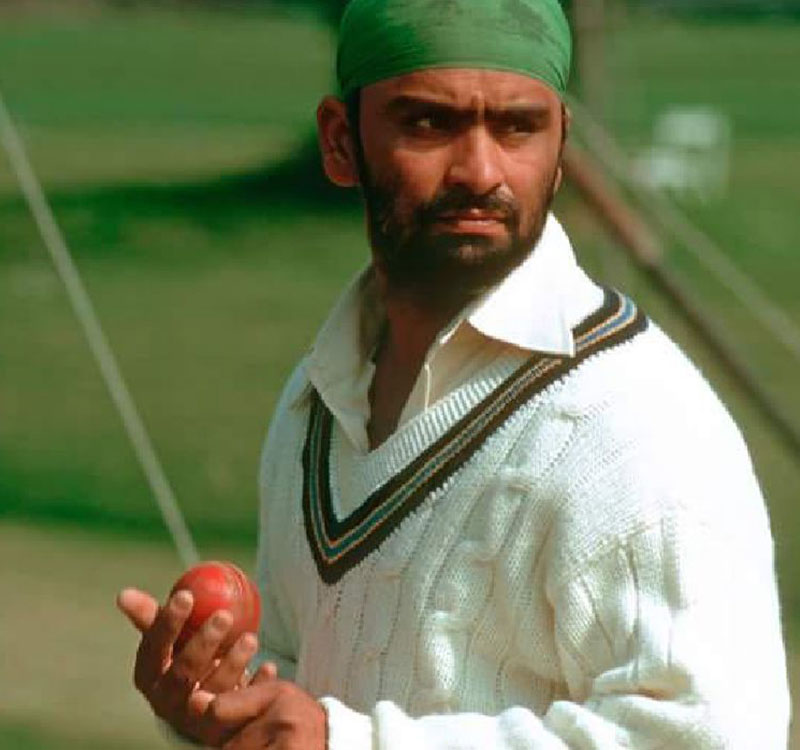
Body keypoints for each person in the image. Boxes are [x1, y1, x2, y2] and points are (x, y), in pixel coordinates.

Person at [117, 0, 791, 747]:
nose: (479, 170)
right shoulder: (317, 400)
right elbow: (306, 691)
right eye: (428, 123)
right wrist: (224, 706)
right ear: (341, 143)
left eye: (517, 127)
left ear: (562, 144)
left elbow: (716, 733)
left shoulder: (635, 424)